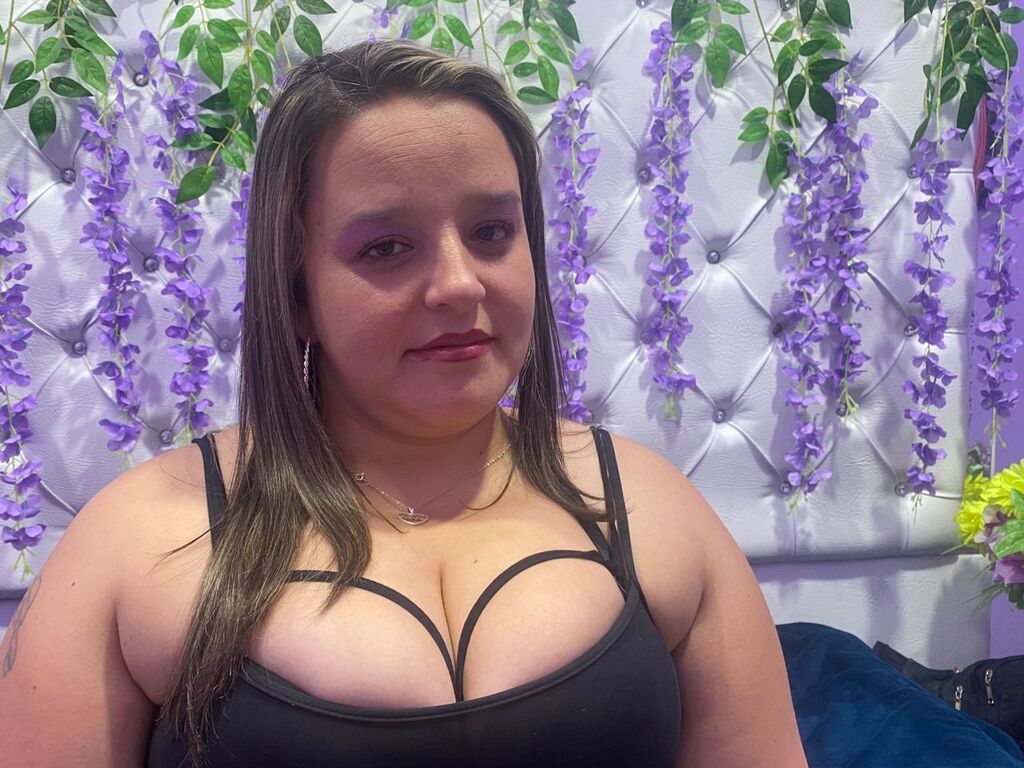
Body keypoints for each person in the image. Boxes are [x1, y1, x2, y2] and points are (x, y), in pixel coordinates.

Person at [0, 38, 807, 767]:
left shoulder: (651, 512)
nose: (459, 285)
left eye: (492, 232)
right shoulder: (136, 545)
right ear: (297, 292)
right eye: (386, 247)